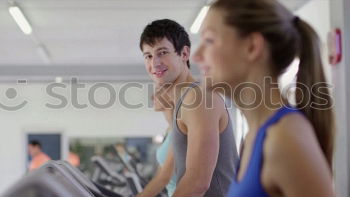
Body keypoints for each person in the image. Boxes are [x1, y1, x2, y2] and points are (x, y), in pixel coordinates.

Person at [193, 0, 335, 196]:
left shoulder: (284, 137)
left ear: (252, 47)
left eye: (209, 40)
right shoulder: (252, 137)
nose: (196, 56)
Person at [139, 19, 239, 197]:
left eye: (162, 52)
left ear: (184, 53)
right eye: (148, 56)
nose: (154, 63)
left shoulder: (199, 97)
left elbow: (197, 182)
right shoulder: (184, 102)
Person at [137, 92, 176, 197]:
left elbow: (164, 178)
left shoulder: (179, 129)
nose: (152, 96)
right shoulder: (170, 129)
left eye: (158, 91)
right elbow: (160, 175)